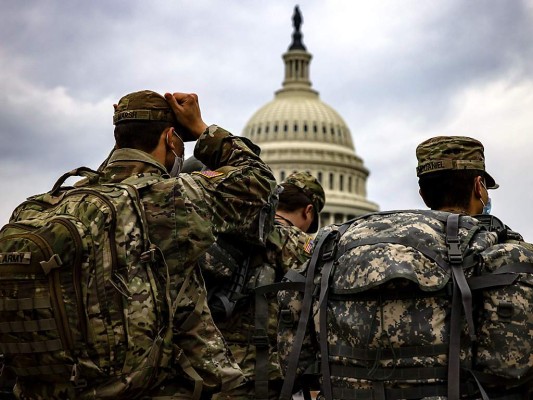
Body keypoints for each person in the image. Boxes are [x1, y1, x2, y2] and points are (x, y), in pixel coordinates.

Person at [11, 90, 277, 399]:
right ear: (169, 138)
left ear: (117, 139)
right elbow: (259, 183)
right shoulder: (174, 198)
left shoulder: (52, 203)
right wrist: (202, 129)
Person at [277, 136, 532, 400]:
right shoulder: (502, 254)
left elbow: (293, 360)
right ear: (479, 187)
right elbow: (511, 368)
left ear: (423, 194)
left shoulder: (336, 246)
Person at [197, 171, 325, 399]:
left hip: (211, 362)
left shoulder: (235, 230)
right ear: (308, 211)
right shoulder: (300, 244)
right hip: (264, 372)